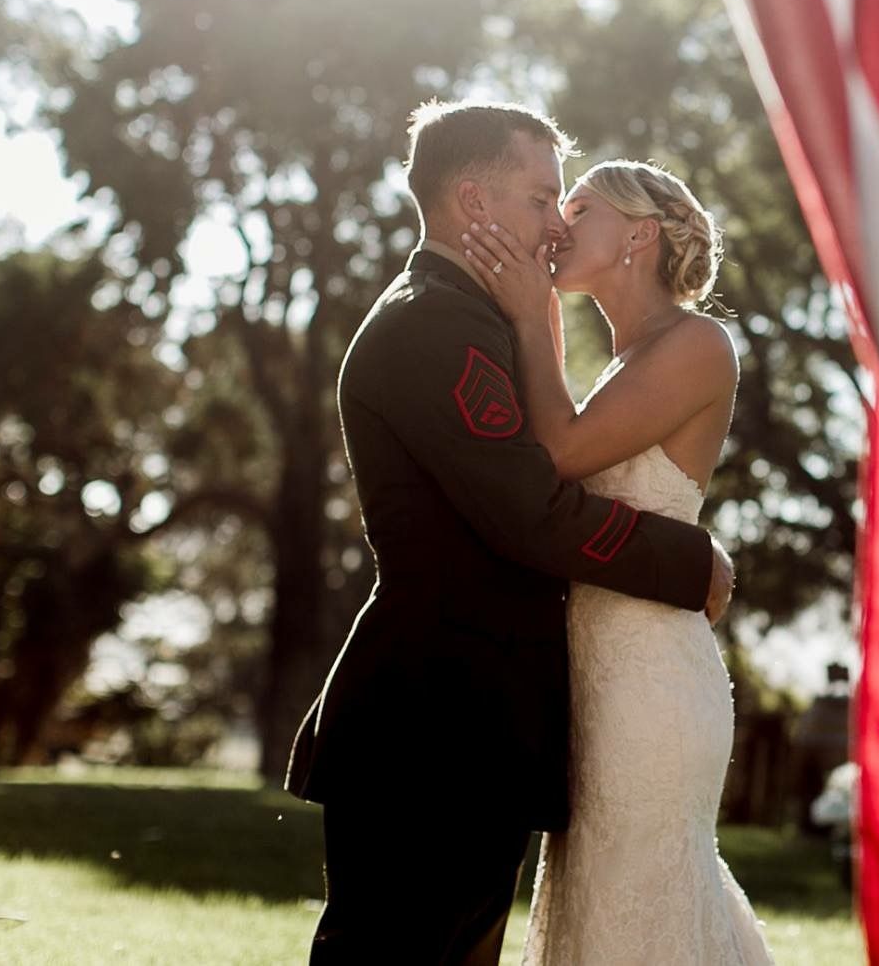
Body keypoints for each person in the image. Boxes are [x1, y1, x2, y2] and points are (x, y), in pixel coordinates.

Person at [285, 101, 736, 965]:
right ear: (472, 201)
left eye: (568, 204)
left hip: (477, 718)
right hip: (434, 719)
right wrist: (692, 559)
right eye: (540, 199)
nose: (553, 227)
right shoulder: (437, 325)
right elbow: (533, 509)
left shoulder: (478, 320)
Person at [459, 156, 774, 965]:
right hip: (590, 678)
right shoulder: (622, 364)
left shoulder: (699, 343)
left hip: (653, 687)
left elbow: (558, 453)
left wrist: (534, 316)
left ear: (639, 235)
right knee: (596, 908)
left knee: (642, 904)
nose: (559, 223)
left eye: (582, 206)